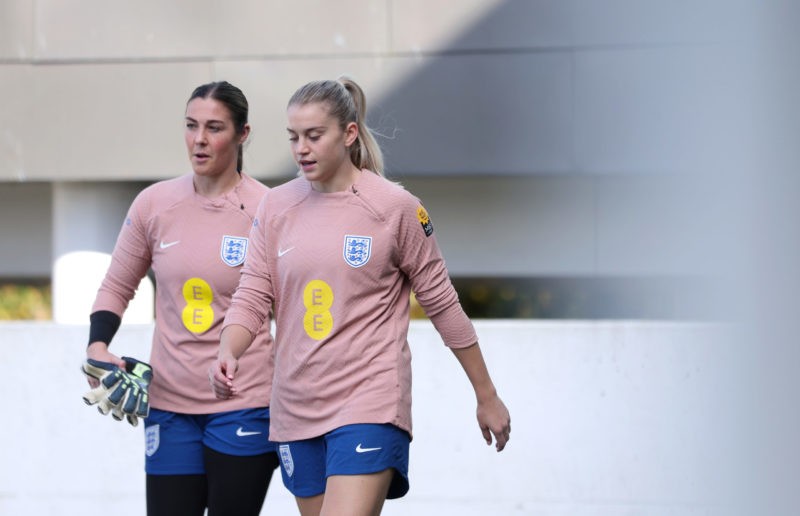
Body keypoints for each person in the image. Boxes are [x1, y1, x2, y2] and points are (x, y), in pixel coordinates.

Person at [211, 76, 511, 515]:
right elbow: (254, 292)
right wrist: (228, 348)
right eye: (294, 137)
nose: (301, 149)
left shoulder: (395, 208)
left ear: (349, 134)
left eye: (315, 136)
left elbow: (443, 303)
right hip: (295, 407)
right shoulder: (274, 207)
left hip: (369, 402)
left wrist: (486, 394)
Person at [84, 81, 278, 516]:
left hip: (245, 403)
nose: (200, 139)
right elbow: (117, 285)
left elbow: (291, 309)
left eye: (214, 127)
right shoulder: (154, 204)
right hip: (169, 407)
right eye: (191, 126)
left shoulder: (270, 209)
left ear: (243, 134)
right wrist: (98, 345)